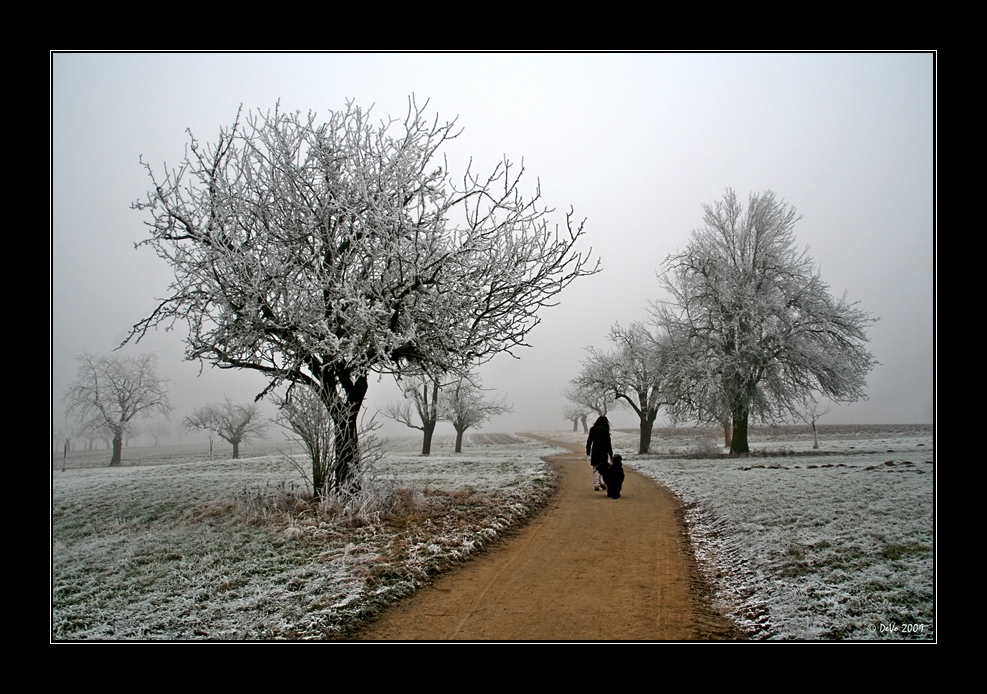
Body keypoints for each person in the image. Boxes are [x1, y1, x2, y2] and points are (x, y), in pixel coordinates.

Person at [586, 415, 613, 491]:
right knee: (603, 468)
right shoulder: (605, 431)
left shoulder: (593, 429)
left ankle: (596, 483)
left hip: (595, 451)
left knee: (596, 468)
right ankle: (602, 482)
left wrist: (588, 450)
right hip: (603, 452)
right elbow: (608, 443)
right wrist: (610, 454)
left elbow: (589, 441)